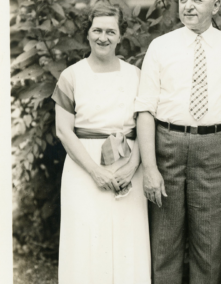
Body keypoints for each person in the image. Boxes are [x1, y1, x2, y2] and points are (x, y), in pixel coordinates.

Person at [135, 0, 221, 283]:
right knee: (164, 243)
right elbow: (144, 109)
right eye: (183, 0)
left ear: (215, 6)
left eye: (198, 0)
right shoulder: (160, 47)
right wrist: (150, 168)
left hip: (216, 150)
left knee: (210, 245)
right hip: (167, 146)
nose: (188, 6)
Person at [52, 3, 150, 284]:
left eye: (110, 31)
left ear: (121, 36)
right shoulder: (71, 76)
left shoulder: (135, 75)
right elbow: (63, 130)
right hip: (84, 168)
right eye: (97, 30)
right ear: (87, 33)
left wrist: (132, 166)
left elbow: (145, 125)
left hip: (127, 167)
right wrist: (95, 171)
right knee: (85, 243)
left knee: (126, 244)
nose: (103, 37)